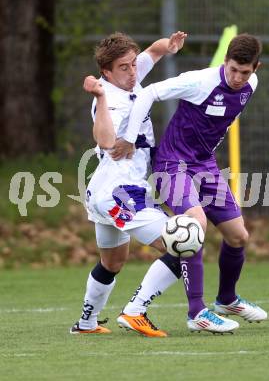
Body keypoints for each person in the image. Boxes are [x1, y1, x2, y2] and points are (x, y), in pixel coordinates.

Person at [70, 31, 236, 338]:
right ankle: (136, 311)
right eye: (124, 67)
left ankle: (86, 323)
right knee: (184, 241)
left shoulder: (128, 76)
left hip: (105, 191)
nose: (133, 71)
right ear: (106, 72)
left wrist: (168, 47)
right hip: (121, 194)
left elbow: (152, 53)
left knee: (113, 261)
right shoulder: (110, 99)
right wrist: (100, 97)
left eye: (133, 64)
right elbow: (105, 139)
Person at [116, 33, 268, 329]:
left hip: (204, 164)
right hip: (173, 164)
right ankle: (197, 313)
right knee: (194, 226)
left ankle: (226, 299)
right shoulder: (200, 81)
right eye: (233, 69)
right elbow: (149, 94)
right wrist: (129, 138)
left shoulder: (252, 85)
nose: (238, 77)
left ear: (256, 68)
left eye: (245, 72)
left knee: (239, 236)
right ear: (225, 61)